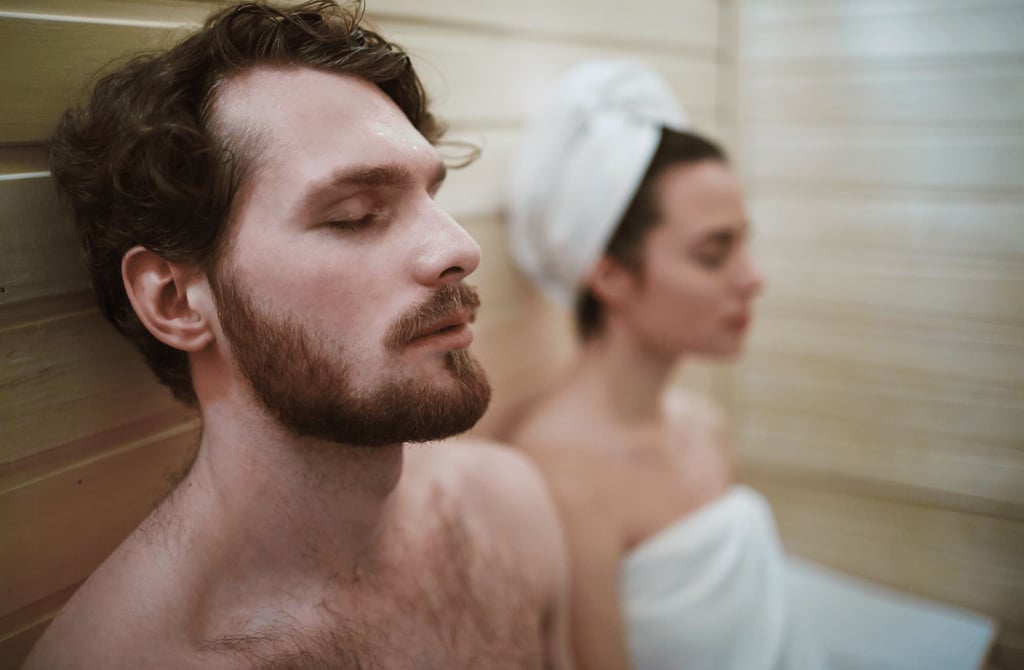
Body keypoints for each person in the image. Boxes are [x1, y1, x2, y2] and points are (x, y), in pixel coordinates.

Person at [25, 2, 573, 668]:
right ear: (175, 300)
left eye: (433, 198)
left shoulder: (511, 512)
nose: (457, 248)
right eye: (356, 215)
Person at [505, 61, 819, 670]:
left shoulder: (702, 423)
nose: (753, 279)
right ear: (611, 275)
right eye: (712, 254)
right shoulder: (560, 478)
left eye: (743, 244)